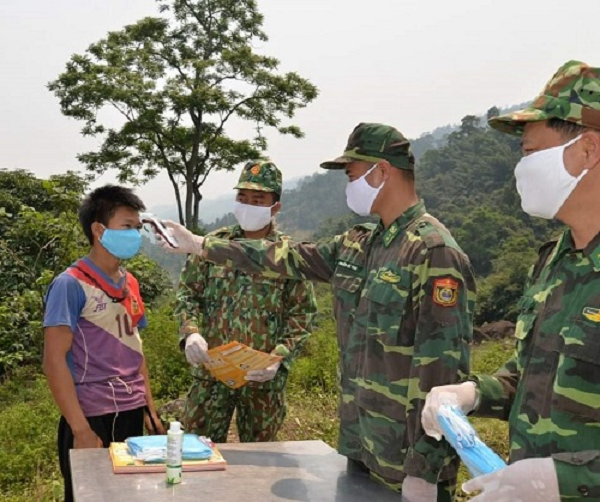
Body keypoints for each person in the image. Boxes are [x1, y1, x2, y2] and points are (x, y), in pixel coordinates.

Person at [160, 124, 476, 501]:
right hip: (361, 443)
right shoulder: (360, 243)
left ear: (381, 171)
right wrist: (201, 245)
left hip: (405, 458)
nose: (349, 184)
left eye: (351, 174)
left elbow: (443, 372)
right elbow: (288, 257)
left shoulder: (432, 252)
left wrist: (425, 469)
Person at [422, 60, 600, 502]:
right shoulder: (555, 261)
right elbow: (532, 374)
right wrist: (470, 394)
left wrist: (564, 481)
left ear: (588, 150)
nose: (520, 169)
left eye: (529, 153)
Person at [175, 160, 316, 443]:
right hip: (212, 371)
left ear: (275, 206)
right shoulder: (212, 245)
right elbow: (187, 293)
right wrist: (191, 332)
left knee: (261, 458)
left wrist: (278, 357)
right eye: (243, 198)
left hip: (261, 378)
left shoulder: (287, 256)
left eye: (258, 199)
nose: (248, 204)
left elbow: (302, 315)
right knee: (198, 451)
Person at [43, 185, 165, 502]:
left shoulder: (130, 282)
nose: (135, 235)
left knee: (129, 494)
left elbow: (135, 349)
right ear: (99, 230)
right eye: (127, 226)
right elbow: (54, 360)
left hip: (131, 411)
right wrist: (81, 430)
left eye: (138, 227)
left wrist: (149, 410)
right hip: (93, 415)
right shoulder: (69, 285)